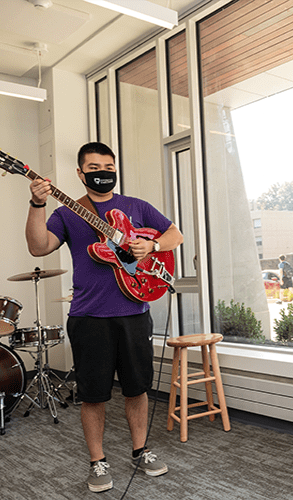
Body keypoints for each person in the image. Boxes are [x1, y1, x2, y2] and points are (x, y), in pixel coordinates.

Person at [25, 142, 183, 493]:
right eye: (94, 167)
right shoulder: (68, 213)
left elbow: (176, 234)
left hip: (135, 312)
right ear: (81, 174)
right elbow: (38, 247)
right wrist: (38, 203)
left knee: (137, 388)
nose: (102, 172)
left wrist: (153, 246)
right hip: (89, 316)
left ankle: (140, 451)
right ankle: (97, 462)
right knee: (93, 394)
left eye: (108, 166)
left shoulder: (136, 207)